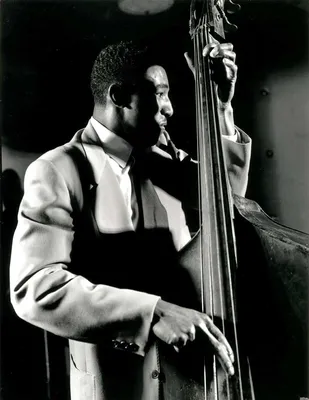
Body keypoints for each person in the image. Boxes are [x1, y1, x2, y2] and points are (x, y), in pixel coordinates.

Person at [10, 40, 251, 400]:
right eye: (160, 94)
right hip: (114, 387)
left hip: (189, 383)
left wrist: (221, 106)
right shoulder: (55, 170)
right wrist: (152, 314)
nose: (169, 108)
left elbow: (229, 201)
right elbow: (35, 287)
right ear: (119, 96)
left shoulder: (165, 161)